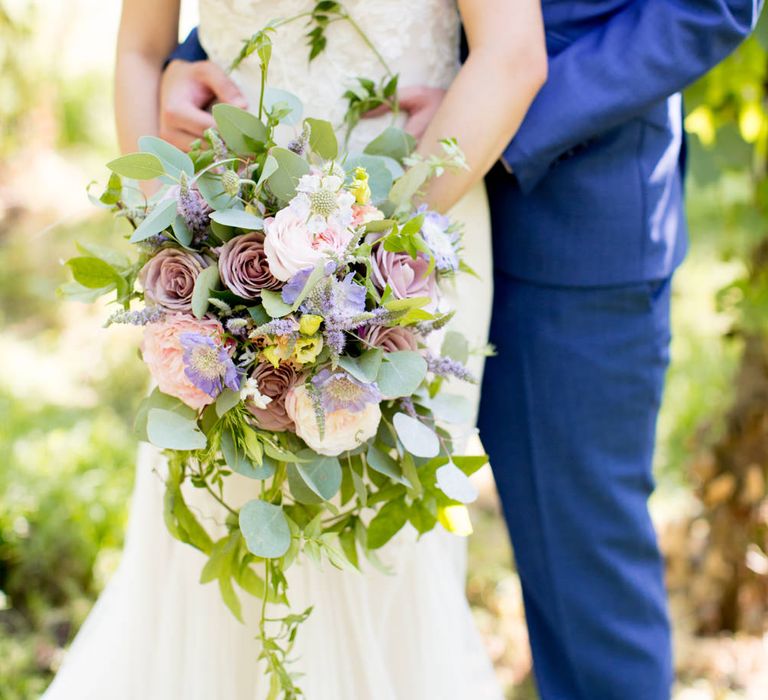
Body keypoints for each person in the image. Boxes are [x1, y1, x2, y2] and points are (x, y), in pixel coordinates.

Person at [158, 1, 762, 699]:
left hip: (572, 221)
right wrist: (191, 57)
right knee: (367, 573)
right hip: (363, 210)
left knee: (586, 583)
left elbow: (707, 9)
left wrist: (489, 119)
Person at [43, 1, 547, 698]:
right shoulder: (205, 247)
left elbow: (514, 52)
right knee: (218, 527)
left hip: (410, 246)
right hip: (225, 231)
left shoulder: (391, 256)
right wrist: (173, 236)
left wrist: (366, 262)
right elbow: (138, 50)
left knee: (388, 559)